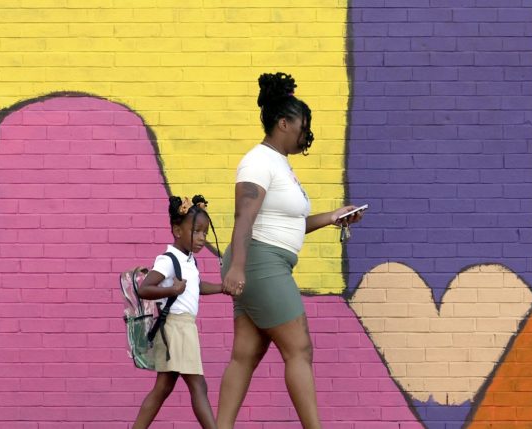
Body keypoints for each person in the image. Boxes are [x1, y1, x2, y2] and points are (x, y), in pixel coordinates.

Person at [216, 72, 364, 429]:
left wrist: (332, 217)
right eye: (302, 124)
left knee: (245, 356)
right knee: (299, 349)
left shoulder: (279, 163)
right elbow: (244, 213)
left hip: (261, 260)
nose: (305, 132)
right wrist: (238, 267)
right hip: (260, 261)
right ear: (283, 122)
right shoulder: (259, 161)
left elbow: (286, 225)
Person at [133, 195, 230, 429]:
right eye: (196, 231)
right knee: (198, 386)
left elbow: (195, 287)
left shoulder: (189, 260)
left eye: (205, 233)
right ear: (177, 230)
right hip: (176, 328)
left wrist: (222, 288)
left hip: (184, 328)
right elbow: (144, 288)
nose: (202, 238)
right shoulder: (168, 260)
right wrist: (173, 289)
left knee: (163, 388)